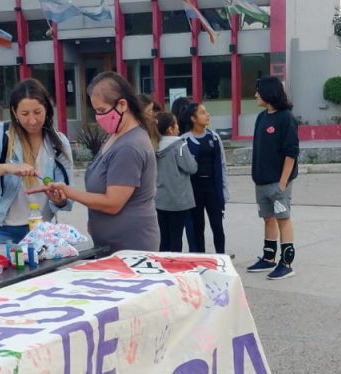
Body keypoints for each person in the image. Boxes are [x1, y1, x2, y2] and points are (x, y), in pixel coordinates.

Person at [44, 72, 159, 253]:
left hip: (130, 246)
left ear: (122, 105)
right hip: (110, 244)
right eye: (95, 111)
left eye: (102, 111)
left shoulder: (129, 147)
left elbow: (113, 203)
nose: (98, 117)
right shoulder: (116, 136)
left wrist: (69, 191)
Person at [0, 79, 73, 245]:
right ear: (14, 112)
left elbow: (67, 199)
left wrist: (59, 199)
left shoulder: (59, 142)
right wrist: (8, 168)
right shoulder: (2, 134)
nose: (32, 120)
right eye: (25, 114)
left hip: (41, 232)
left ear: (47, 109)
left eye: (38, 112)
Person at [247, 76, 299, 281]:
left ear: (269, 92)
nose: (256, 95)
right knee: (267, 218)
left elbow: (291, 152)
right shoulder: (262, 117)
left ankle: (286, 263)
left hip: (278, 182)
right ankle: (268, 257)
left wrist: (283, 182)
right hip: (261, 181)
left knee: (283, 219)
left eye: (258, 90)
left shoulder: (286, 118)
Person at [179, 101, 230, 254]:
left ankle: (221, 257)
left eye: (206, 112)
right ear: (193, 118)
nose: (207, 115)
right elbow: (181, 168)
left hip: (212, 189)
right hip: (194, 190)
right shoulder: (184, 140)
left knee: (217, 225)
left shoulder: (214, 138)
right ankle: (200, 259)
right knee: (197, 227)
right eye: (202, 112)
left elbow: (222, 165)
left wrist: (224, 190)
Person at [154, 111, 197, 252]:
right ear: (170, 129)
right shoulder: (179, 146)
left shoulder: (154, 146)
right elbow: (191, 167)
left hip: (160, 200)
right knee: (176, 238)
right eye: (176, 124)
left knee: (164, 238)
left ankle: (163, 266)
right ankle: (174, 268)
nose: (178, 127)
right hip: (178, 201)